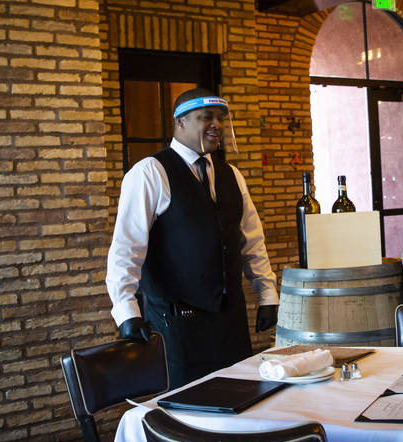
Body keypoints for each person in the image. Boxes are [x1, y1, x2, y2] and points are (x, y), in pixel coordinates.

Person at [105, 88, 278, 388]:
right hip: (177, 324)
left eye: (221, 118)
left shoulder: (232, 175)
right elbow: (126, 248)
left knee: (238, 397)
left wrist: (267, 294)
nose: (217, 125)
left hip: (230, 321)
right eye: (206, 117)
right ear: (180, 122)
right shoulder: (150, 173)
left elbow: (251, 242)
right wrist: (125, 311)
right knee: (187, 410)